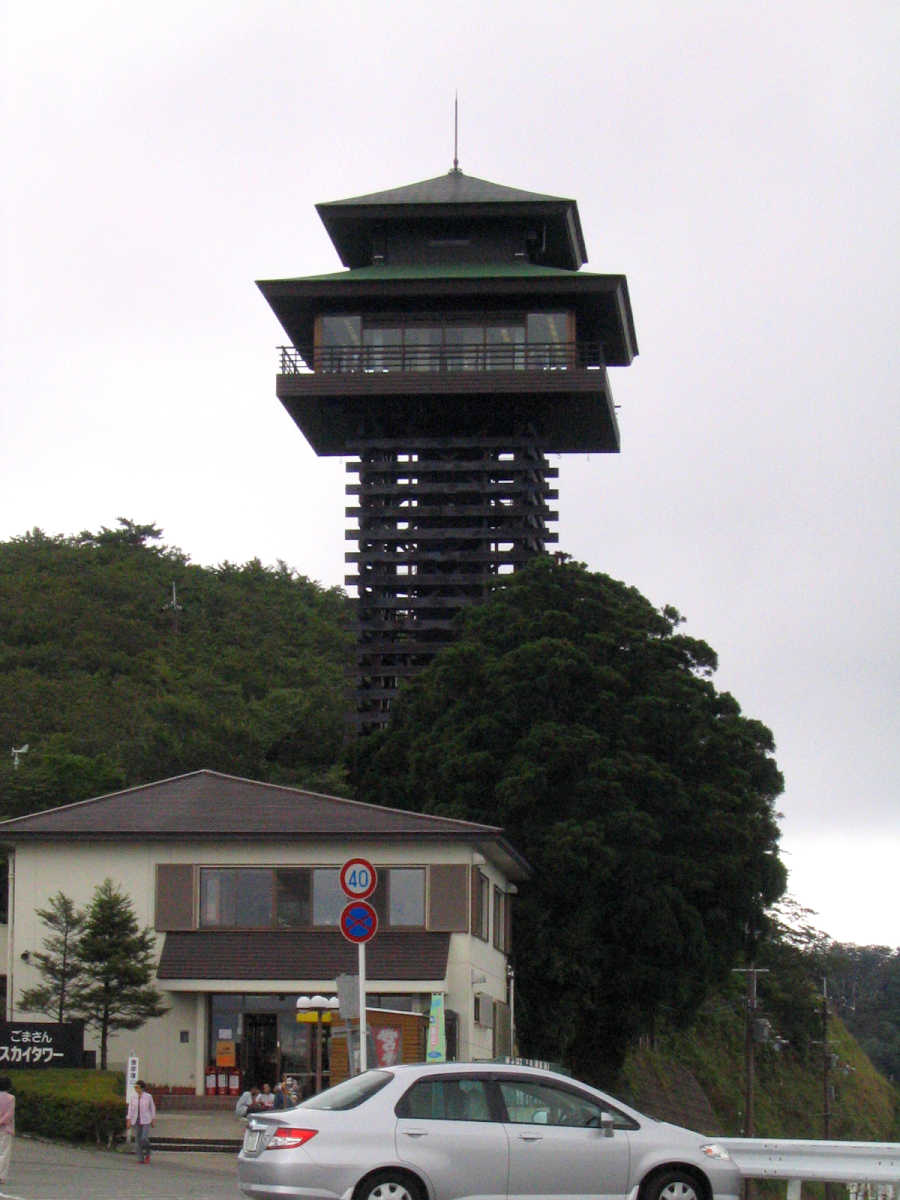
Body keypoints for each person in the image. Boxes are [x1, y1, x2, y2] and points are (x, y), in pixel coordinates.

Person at [126, 1079, 156, 1165]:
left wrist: (153, 1119)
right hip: (136, 1120)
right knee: (138, 1140)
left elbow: (152, 1108)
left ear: (142, 1088)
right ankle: (140, 1158)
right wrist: (129, 1119)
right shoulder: (133, 1097)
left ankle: (148, 1152)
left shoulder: (148, 1097)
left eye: (137, 1087)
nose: (136, 1089)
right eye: (135, 1087)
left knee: (144, 1138)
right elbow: (130, 1109)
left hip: (146, 1120)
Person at [0, 1076, 14, 1184]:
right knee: (4, 1152)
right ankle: (1, 1176)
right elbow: (9, 1114)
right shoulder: (11, 1098)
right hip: (5, 1129)